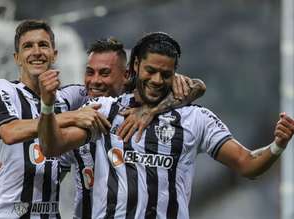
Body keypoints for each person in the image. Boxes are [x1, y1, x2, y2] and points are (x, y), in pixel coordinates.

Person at [37, 32, 294, 219]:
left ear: (176, 74)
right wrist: (47, 106)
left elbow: (248, 164)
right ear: (135, 66)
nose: (157, 80)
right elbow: (52, 146)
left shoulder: (195, 118)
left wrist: (278, 145)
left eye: (166, 74)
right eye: (151, 71)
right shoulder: (106, 109)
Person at [0, 21, 206, 218]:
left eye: (43, 45)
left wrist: (153, 108)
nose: (95, 81)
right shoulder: (69, 99)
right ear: (16, 57)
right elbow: (10, 133)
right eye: (28, 46)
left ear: (54, 54)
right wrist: (12, 170)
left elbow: (192, 86)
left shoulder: (107, 102)